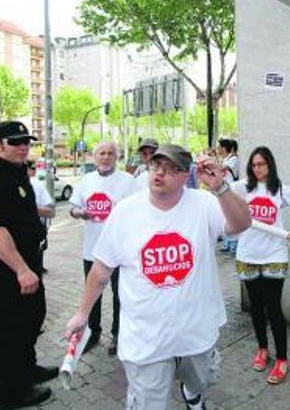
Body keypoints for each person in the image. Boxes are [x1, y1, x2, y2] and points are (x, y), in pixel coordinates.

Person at [65, 145, 251, 410]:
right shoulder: (126, 212)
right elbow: (101, 268)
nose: (159, 173)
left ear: (186, 174)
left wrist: (220, 187)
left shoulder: (204, 203)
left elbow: (242, 224)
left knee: (203, 379)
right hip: (146, 336)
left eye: (169, 168)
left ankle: (193, 391)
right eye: (155, 166)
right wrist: (82, 313)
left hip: (196, 328)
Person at [0, 121, 56, 409]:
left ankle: (27, 370)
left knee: (32, 319)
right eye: (15, 142)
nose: (23, 147)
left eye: (27, 141)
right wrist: (21, 269)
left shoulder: (18, 173)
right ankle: (9, 394)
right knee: (11, 329)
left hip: (28, 261)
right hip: (10, 268)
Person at [231, 146, 290, 384]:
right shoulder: (243, 187)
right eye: (253, 165)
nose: (257, 169)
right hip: (247, 255)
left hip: (275, 255)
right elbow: (218, 191)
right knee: (256, 306)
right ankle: (263, 349)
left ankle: (282, 359)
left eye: (261, 164)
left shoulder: (282, 189)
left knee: (273, 307)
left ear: (270, 165)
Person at [68, 140, 135, 356]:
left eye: (110, 154)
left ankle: (118, 335)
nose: (105, 158)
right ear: (94, 157)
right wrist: (79, 213)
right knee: (92, 294)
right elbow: (72, 207)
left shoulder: (128, 181)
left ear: (117, 157)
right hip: (93, 250)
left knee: (120, 295)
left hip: (121, 251)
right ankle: (93, 333)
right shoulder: (86, 180)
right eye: (101, 154)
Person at [26, 160, 55, 273]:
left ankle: (38, 267)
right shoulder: (35, 183)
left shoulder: (37, 184)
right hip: (32, 224)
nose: (34, 171)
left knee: (38, 248)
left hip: (36, 223)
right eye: (32, 169)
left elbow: (49, 208)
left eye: (35, 169)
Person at [217, 139, 240, 255]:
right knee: (225, 218)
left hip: (231, 191)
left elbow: (221, 169)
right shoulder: (224, 159)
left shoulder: (233, 159)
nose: (217, 149)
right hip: (223, 192)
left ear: (224, 148)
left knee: (231, 217)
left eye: (219, 147)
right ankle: (227, 244)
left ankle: (233, 247)